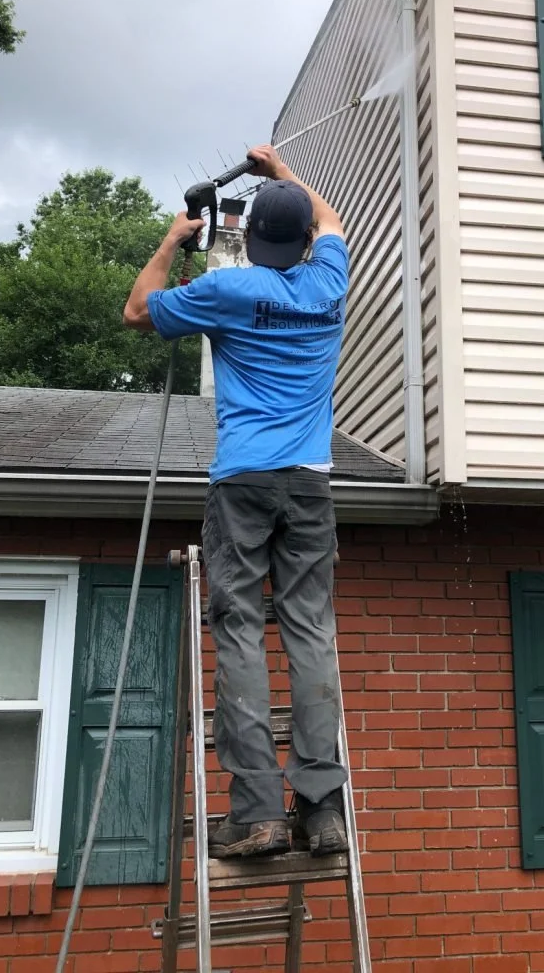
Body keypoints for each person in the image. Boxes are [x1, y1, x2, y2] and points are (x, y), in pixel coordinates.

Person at [123, 145, 349, 859]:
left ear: (249, 239)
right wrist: (281, 169)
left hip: (245, 481)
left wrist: (171, 240)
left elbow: (136, 312)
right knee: (310, 631)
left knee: (242, 630)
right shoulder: (329, 283)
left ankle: (257, 814)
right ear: (305, 241)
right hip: (311, 482)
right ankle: (322, 811)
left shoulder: (228, 290)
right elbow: (331, 216)